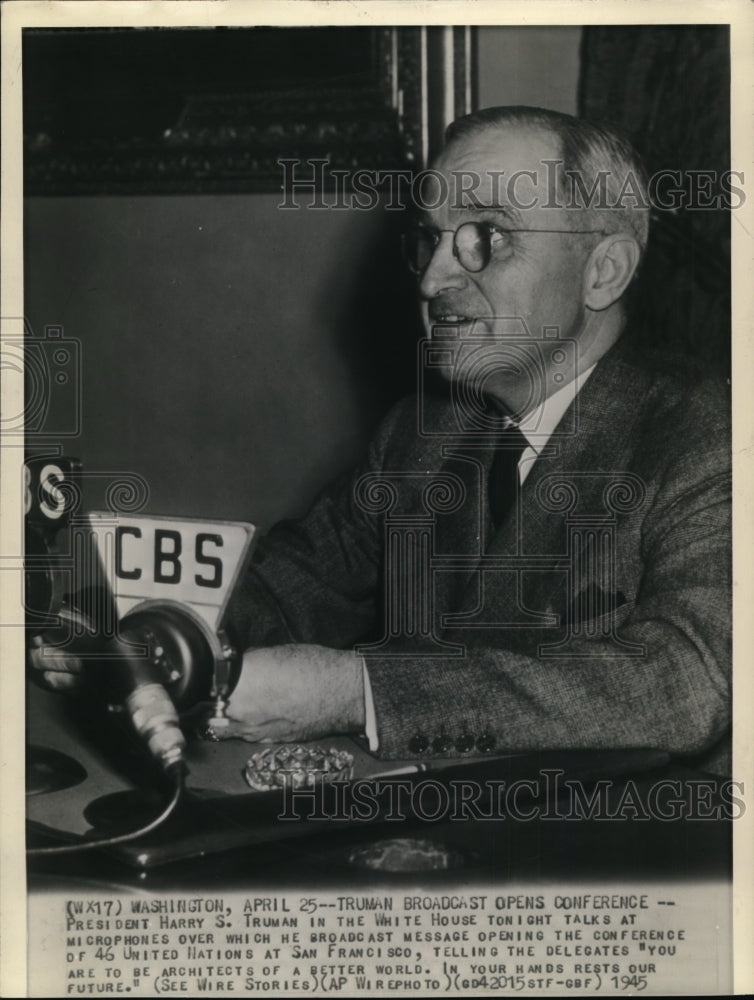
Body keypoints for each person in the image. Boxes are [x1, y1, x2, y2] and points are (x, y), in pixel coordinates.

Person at [33, 107, 732, 776]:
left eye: (488, 236)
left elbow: (684, 685)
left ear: (603, 271)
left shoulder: (712, 436)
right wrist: (134, 632)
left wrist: (356, 690)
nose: (433, 280)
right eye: (431, 238)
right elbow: (283, 590)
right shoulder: (424, 434)